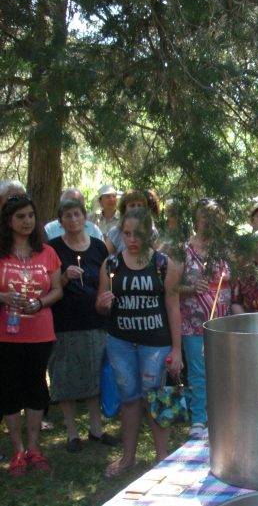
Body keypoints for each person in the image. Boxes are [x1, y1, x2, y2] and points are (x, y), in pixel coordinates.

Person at [96, 207, 183, 477]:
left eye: (139, 234)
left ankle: (161, 458)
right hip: (120, 341)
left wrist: (177, 350)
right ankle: (128, 458)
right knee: (129, 399)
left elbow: (172, 307)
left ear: (150, 234)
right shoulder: (110, 264)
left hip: (155, 343)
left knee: (155, 397)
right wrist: (102, 303)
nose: (132, 239)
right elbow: (100, 305)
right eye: (127, 233)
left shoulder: (163, 264)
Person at [0, 194, 64, 476]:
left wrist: (40, 302)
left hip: (40, 332)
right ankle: (17, 451)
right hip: (7, 333)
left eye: (30, 216)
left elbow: (57, 290)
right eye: (20, 217)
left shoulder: (47, 252)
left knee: (36, 386)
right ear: (8, 221)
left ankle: (35, 447)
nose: (27, 221)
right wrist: (4, 296)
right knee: (11, 388)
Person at [48, 198, 117, 452]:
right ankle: (72, 433)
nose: (73, 220)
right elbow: (49, 287)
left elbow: (107, 278)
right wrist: (65, 277)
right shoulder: (53, 248)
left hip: (95, 320)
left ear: (85, 217)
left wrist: (106, 299)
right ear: (60, 221)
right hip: (65, 321)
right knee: (65, 377)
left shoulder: (99, 247)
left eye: (77, 215)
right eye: (68, 216)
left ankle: (96, 430)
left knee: (94, 375)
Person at [178, 199, 231, 439]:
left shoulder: (226, 248)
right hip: (192, 322)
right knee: (198, 372)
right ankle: (198, 418)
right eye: (203, 216)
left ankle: (220, 416)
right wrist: (189, 287)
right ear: (195, 218)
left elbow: (236, 280)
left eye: (214, 216)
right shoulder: (183, 248)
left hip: (222, 323)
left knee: (221, 371)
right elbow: (169, 288)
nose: (208, 221)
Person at [104, 190, 159, 254]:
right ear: (124, 209)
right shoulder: (115, 233)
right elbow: (106, 258)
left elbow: (155, 257)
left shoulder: (151, 231)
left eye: (140, 205)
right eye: (132, 205)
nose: (136, 208)